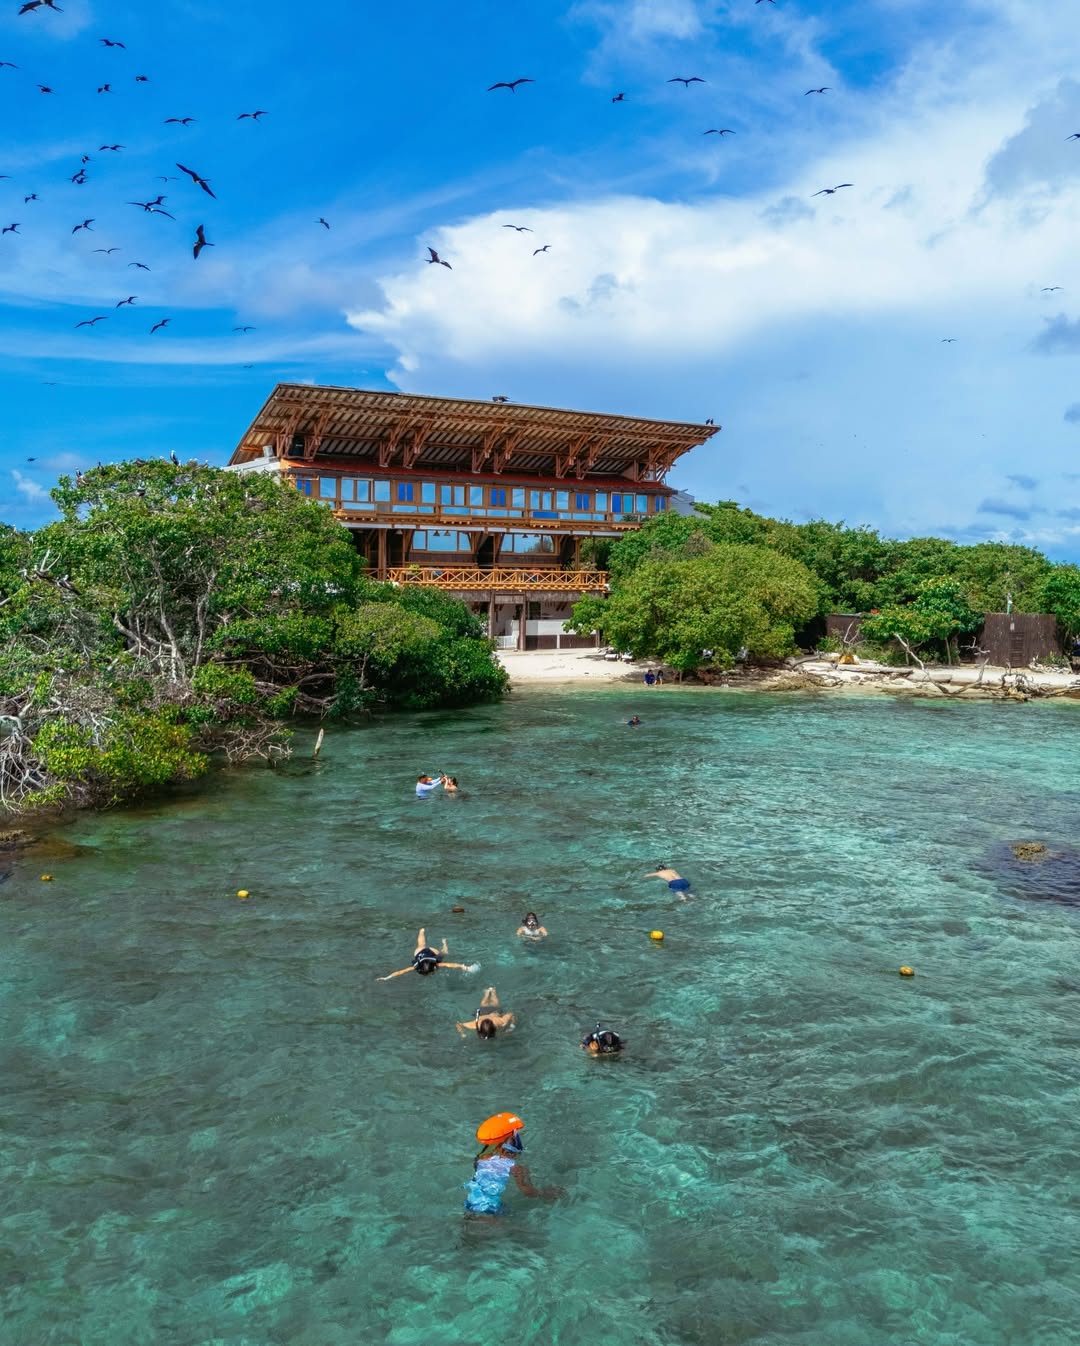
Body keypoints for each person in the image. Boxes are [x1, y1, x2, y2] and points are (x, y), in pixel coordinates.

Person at [463, 1113, 559, 1216]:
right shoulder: (515, 1167)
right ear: (516, 1152)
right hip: (490, 1207)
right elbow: (527, 1192)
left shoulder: (482, 1158)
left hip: (471, 1202)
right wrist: (543, 1194)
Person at [377, 928, 478, 980]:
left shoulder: (421, 966)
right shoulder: (418, 966)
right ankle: (432, 936)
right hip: (421, 952)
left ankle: (428, 934)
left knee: (442, 952)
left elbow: (400, 972)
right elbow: (400, 972)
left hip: (429, 953)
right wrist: (464, 967)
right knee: (427, 947)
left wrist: (387, 977)